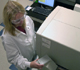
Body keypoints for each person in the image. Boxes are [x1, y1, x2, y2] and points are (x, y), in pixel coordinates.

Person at [1, 1, 44, 70]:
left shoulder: (27, 19)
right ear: (9, 21)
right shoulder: (7, 37)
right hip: (24, 64)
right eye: (17, 20)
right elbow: (14, 58)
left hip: (35, 55)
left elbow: (34, 36)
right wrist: (29, 64)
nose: (21, 22)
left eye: (22, 17)